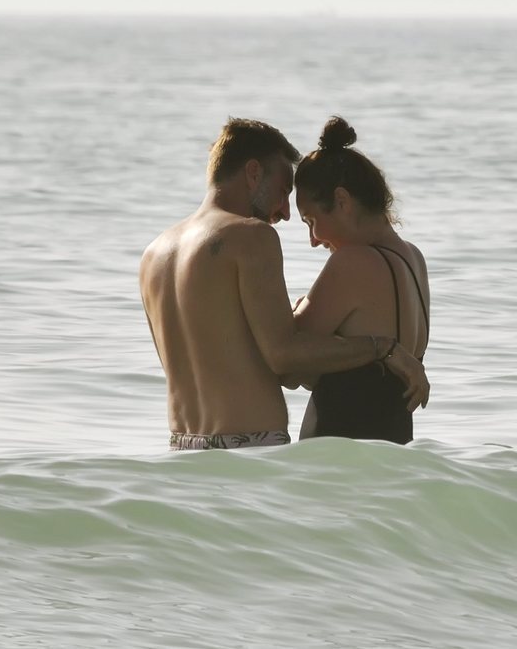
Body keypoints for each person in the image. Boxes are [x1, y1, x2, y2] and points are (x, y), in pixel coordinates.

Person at [139, 118, 429, 450]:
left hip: (181, 445)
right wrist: (384, 348)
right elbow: (285, 358)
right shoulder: (253, 237)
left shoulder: (153, 254)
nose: (285, 212)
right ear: (253, 173)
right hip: (251, 444)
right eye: (283, 190)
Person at [289, 116, 430, 445]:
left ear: (341, 200)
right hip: (395, 453)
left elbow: (290, 364)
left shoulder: (353, 263)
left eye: (312, 220)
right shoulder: (414, 261)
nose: (312, 239)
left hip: (336, 457)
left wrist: (296, 310)